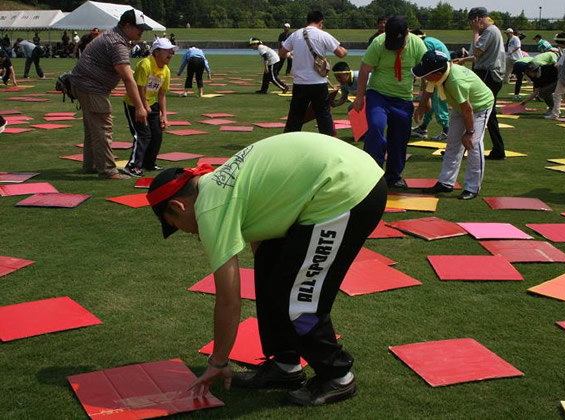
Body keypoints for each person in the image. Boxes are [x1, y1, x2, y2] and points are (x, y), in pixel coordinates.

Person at [146, 132, 387, 406]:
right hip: (338, 178)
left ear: (179, 205)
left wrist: (219, 360)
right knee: (272, 277)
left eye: (176, 226)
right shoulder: (215, 184)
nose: (187, 232)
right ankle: (285, 365)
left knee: (299, 299)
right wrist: (273, 279)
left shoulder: (210, 208)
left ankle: (337, 375)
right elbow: (265, 241)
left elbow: (228, 301)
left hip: (347, 190)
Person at [70, 9, 150, 180]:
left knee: (93, 128)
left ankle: (91, 165)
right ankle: (107, 170)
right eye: (139, 28)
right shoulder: (117, 43)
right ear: (127, 26)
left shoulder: (115, 37)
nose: (141, 31)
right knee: (102, 127)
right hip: (91, 87)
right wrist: (140, 107)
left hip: (84, 84)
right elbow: (128, 79)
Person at [352, 16, 427, 189]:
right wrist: (359, 97)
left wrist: (424, 100)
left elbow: (426, 72)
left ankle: (393, 176)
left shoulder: (417, 45)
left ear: (407, 32)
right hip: (379, 95)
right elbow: (364, 70)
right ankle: (373, 172)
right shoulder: (379, 43)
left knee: (399, 138)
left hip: (403, 98)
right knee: (376, 128)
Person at [414, 51, 494, 200]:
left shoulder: (455, 81)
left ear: (437, 73)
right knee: (452, 143)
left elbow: (468, 109)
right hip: (460, 107)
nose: (424, 76)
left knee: (473, 145)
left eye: (426, 73)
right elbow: (428, 91)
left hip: (480, 106)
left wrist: (469, 133)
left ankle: (472, 187)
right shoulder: (438, 74)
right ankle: (446, 182)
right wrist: (420, 108)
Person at [280, 10, 348, 136]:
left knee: (295, 117)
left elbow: (282, 53)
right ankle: (328, 145)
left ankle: (289, 144)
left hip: (299, 83)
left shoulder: (296, 34)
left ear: (307, 21)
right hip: (318, 82)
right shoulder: (323, 35)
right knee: (324, 117)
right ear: (321, 22)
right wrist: (344, 49)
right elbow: (341, 53)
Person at [454, 7, 506, 160]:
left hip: (487, 74)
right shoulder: (493, 31)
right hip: (489, 74)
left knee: (474, 110)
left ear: (477, 19)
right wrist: (464, 60)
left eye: (472, 23)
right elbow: (479, 55)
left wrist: (476, 32)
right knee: (489, 115)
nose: (471, 26)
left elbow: (478, 51)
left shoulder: (489, 31)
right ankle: (498, 149)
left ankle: (465, 148)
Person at [122, 38, 177, 178]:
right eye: (167, 51)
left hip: (151, 104)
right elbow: (139, 88)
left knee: (157, 134)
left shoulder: (166, 71)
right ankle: (133, 166)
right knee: (143, 134)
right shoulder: (145, 64)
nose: (171, 54)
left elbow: (162, 94)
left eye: (172, 51)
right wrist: (144, 106)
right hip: (134, 103)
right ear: (157, 52)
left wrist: (164, 115)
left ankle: (149, 163)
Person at [410, 29, 450, 141]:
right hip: (440, 71)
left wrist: (424, 82)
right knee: (431, 101)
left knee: (438, 102)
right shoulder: (429, 41)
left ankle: (447, 130)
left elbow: (427, 65)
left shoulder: (425, 44)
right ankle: (423, 127)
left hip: (440, 74)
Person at [546, 33, 565, 119]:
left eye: (558, 43)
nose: (558, 45)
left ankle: (555, 114)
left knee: (557, 95)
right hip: (563, 75)